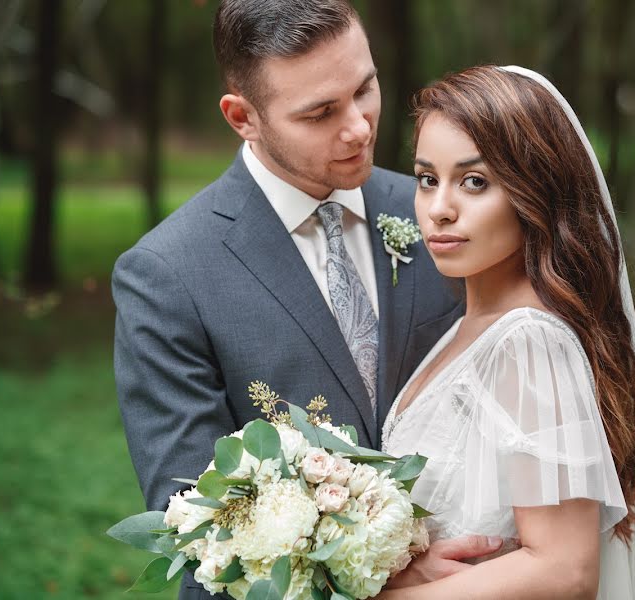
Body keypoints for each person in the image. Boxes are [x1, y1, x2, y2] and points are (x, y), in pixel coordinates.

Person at [112, 3, 500, 599]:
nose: (360, 127)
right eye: (320, 113)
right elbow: (193, 515)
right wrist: (387, 569)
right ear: (243, 117)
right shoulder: (166, 275)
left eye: (365, 88)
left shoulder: (441, 215)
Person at [378, 66, 635, 599]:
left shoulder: (529, 342)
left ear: (534, 190)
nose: (439, 209)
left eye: (474, 182)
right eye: (426, 178)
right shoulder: (468, 330)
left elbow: (563, 571)